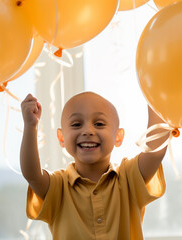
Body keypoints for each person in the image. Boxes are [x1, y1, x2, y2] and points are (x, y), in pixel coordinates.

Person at [20, 91, 170, 240]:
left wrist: (154, 97)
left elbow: (154, 152)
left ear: (118, 137)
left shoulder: (128, 177)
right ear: (61, 138)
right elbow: (32, 175)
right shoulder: (58, 187)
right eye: (76, 124)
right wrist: (30, 126)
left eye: (99, 124)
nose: (87, 131)